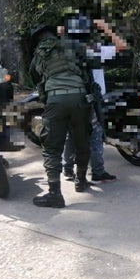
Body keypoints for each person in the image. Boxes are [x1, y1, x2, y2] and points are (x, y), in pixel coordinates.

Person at [29, 23, 93, 207]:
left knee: (51, 147)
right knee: (82, 141)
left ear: (38, 40)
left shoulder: (39, 53)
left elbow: (34, 77)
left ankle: (55, 194)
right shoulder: (71, 46)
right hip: (80, 97)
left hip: (56, 100)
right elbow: (87, 67)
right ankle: (81, 180)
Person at [62, 16, 128, 182]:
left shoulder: (64, 51)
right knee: (95, 134)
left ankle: (67, 169)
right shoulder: (94, 50)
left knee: (71, 133)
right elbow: (121, 45)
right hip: (91, 100)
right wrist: (105, 27)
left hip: (69, 98)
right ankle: (97, 172)